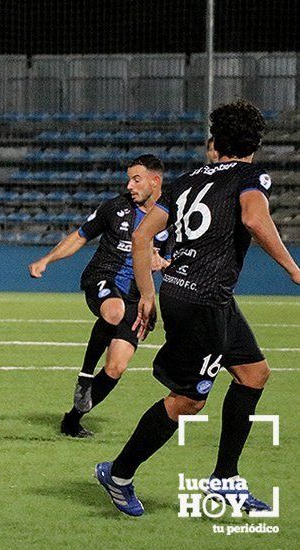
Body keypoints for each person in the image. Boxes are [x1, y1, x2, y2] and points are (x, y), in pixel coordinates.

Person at [96, 99, 300, 516]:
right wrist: (294, 270)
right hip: (202, 302)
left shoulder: (186, 181)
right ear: (255, 143)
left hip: (196, 295)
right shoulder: (250, 175)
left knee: (254, 374)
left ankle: (224, 478)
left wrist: (149, 295)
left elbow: (141, 238)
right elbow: (255, 220)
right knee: (188, 399)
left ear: (217, 141)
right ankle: (118, 474)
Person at [29, 155, 171, 438]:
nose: (129, 185)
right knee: (114, 311)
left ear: (155, 181)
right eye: (129, 178)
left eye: (136, 179)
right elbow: (80, 236)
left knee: (116, 367)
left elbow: (170, 259)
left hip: (136, 296)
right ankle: (84, 375)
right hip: (101, 278)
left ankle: (72, 419)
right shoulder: (116, 208)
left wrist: (163, 263)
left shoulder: (170, 217)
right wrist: (47, 260)